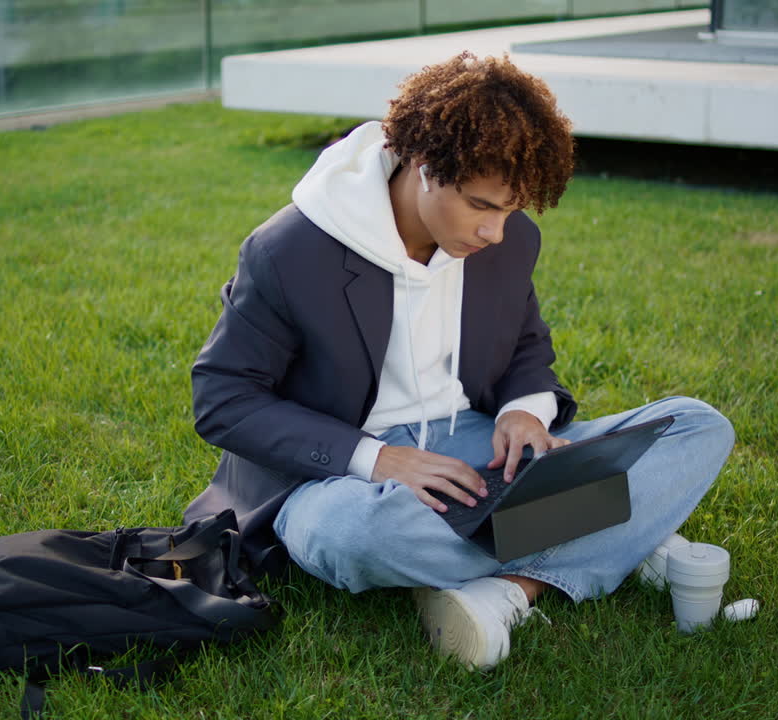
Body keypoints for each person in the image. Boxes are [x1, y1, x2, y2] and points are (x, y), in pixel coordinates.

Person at [185, 52, 735, 669]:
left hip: (477, 449)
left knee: (698, 425)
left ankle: (513, 589)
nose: (496, 232)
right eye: (481, 205)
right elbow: (224, 398)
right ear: (424, 165)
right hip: (344, 476)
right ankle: (622, 529)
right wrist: (377, 459)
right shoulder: (290, 251)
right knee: (350, 538)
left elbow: (526, 345)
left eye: (510, 208)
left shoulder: (510, 240)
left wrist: (526, 412)